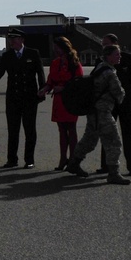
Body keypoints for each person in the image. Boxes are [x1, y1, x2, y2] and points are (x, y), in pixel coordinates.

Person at [66, 45, 130, 185]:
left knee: (89, 140)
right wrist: (123, 94)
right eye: (116, 54)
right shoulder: (110, 73)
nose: (119, 57)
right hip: (103, 112)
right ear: (108, 56)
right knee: (114, 142)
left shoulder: (100, 67)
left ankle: (73, 163)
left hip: (93, 111)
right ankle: (114, 173)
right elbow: (119, 94)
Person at [0, 27, 45, 168]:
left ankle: (29, 160)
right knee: (13, 130)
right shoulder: (7, 56)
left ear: (22, 40)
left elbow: (40, 73)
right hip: (13, 98)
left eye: (14, 39)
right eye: (10, 39)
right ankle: (12, 159)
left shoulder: (33, 53)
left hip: (29, 97)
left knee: (30, 130)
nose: (11, 42)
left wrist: (42, 89)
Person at [97, 34, 131, 176]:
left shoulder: (128, 59)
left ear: (115, 44)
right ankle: (105, 166)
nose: (104, 47)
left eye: (107, 44)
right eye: (103, 44)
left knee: (129, 135)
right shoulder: (101, 60)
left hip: (127, 103)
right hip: (109, 104)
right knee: (107, 135)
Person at [38, 37, 83, 171]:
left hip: (70, 100)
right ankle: (63, 159)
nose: (55, 50)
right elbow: (50, 81)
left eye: (57, 47)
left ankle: (73, 160)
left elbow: (79, 82)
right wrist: (44, 89)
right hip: (58, 100)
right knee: (61, 130)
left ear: (64, 47)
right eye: (54, 47)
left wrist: (63, 88)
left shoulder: (74, 62)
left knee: (71, 129)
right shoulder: (55, 63)